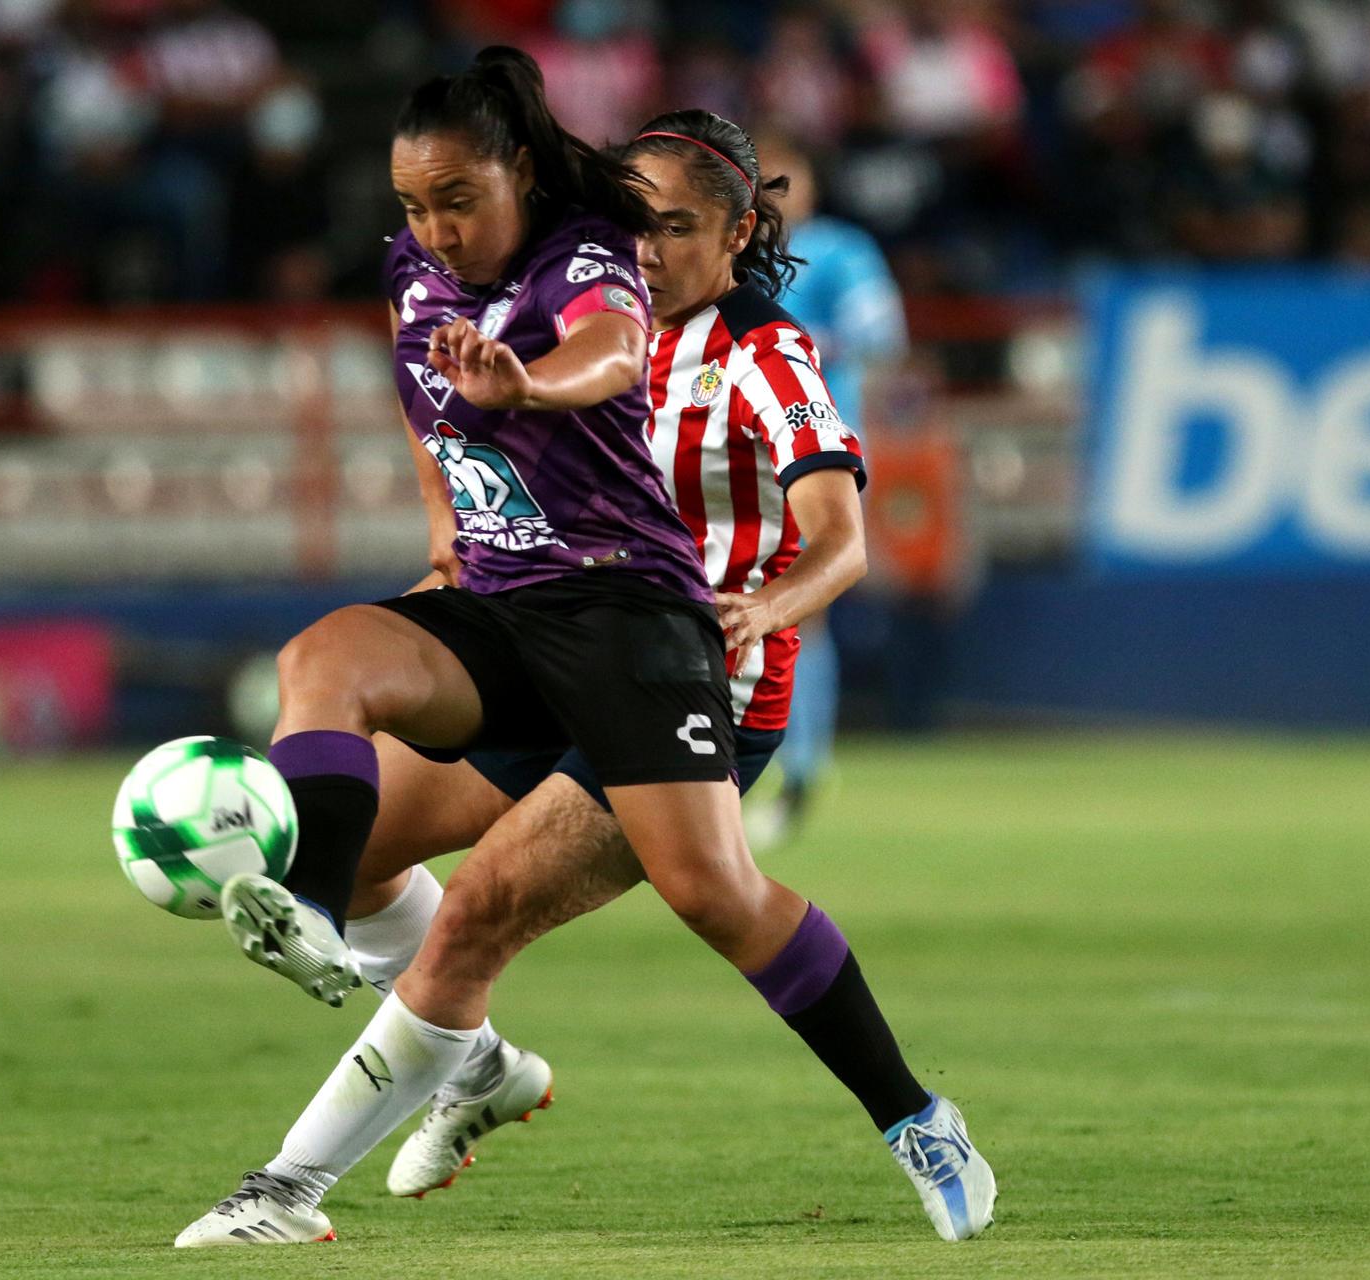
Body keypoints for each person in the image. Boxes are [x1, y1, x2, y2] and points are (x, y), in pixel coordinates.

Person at [172, 87, 994, 1247]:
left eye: (672, 228)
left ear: (740, 232)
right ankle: (475, 1069)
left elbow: (842, 536)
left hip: (690, 674)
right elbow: (432, 395)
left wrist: (768, 603)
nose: (644, 250)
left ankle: (916, 1116)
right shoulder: (557, 286)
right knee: (356, 853)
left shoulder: (762, 352)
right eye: (631, 221)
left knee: (679, 902)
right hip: (550, 639)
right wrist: (450, 533)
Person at [751, 134, 907, 837]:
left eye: (789, 179)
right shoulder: (732, 257)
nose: (778, 196)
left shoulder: (841, 252)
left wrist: (791, 341)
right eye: (765, 182)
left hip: (816, 449)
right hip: (732, 452)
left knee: (798, 604)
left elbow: (883, 336)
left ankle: (801, 768)